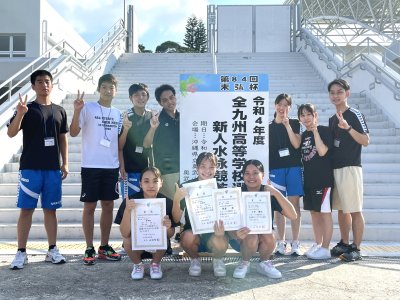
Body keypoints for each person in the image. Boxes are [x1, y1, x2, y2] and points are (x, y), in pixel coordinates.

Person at [7, 69, 68, 269]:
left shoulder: (60, 110)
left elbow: (62, 138)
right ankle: (21, 252)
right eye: (40, 81)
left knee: (51, 211)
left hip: (52, 169)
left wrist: (65, 162)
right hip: (30, 168)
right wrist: (20, 114)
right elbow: (10, 132)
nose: (44, 85)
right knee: (26, 210)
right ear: (33, 86)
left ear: (52, 84)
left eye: (47, 81)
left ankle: (52, 250)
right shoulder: (26, 108)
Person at [70, 74, 124, 265]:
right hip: (91, 166)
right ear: (99, 89)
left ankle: (104, 246)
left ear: (116, 91)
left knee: (108, 205)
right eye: (104, 87)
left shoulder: (118, 114)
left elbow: (119, 143)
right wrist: (76, 111)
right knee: (90, 207)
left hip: (111, 166)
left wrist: (121, 167)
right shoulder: (88, 107)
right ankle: (89, 247)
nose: (108, 90)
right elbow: (74, 132)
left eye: (111, 87)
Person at [231, 160, 297, 279]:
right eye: (247, 173)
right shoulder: (237, 193)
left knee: (269, 234)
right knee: (252, 236)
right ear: (243, 176)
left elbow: (293, 215)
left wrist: (276, 193)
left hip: (264, 237)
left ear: (263, 174)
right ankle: (244, 263)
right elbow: (228, 223)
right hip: (242, 239)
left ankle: (264, 263)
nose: (251, 177)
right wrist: (236, 234)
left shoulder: (268, 192)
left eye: (255, 173)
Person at [328, 79, 370, 262]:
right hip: (335, 169)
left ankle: (357, 248)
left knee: (354, 209)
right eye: (332, 92)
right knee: (341, 209)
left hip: (351, 168)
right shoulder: (331, 119)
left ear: (347, 93)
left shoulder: (355, 114)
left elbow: (365, 141)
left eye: (339, 92)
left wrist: (348, 127)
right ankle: (345, 243)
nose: (336, 95)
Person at [172, 152, 230, 277]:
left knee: (221, 238)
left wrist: (222, 230)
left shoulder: (221, 189)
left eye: (211, 167)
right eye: (203, 166)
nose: (207, 171)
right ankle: (195, 260)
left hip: (213, 233)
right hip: (193, 233)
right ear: (197, 168)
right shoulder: (186, 188)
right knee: (187, 237)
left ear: (216, 168)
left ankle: (218, 260)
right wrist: (177, 199)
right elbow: (176, 218)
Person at [115, 167, 177, 280]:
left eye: (155, 181)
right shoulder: (130, 201)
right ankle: (138, 265)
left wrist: (168, 227)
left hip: (157, 245)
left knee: (163, 235)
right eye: (146, 181)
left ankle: (155, 264)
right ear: (140, 184)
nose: (151, 185)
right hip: (137, 245)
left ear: (161, 183)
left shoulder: (167, 203)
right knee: (127, 239)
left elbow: (170, 235)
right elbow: (124, 232)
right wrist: (128, 211)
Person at [269, 93, 304, 255]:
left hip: (294, 167)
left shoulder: (296, 123)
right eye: (279, 104)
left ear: (290, 107)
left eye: (286, 105)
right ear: (275, 105)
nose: (282, 108)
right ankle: (281, 242)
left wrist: (288, 126)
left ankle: (295, 242)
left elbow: (297, 144)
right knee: (279, 206)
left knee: (295, 204)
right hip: (276, 169)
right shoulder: (267, 127)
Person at [298, 104, 334, 260]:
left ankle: (326, 248)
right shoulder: (303, 135)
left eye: (308, 114)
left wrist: (315, 131)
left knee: (325, 213)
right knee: (314, 213)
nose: (306, 118)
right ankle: (317, 244)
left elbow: (322, 151)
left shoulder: (324, 130)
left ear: (315, 115)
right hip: (309, 181)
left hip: (323, 181)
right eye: (302, 115)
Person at [143, 84, 179, 200]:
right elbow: (146, 144)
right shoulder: (156, 119)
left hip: (186, 169)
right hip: (167, 172)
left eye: (172, 97)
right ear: (160, 103)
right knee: (172, 208)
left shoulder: (183, 117)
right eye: (165, 100)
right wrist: (153, 128)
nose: (170, 102)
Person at [119, 83, 153, 196]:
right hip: (129, 170)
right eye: (136, 95)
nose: (140, 98)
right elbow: (119, 146)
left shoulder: (151, 115)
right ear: (130, 98)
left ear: (148, 97)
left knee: (145, 206)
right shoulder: (125, 116)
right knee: (130, 205)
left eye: (143, 94)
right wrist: (122, 167)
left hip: (146, 171)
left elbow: (151, 145)